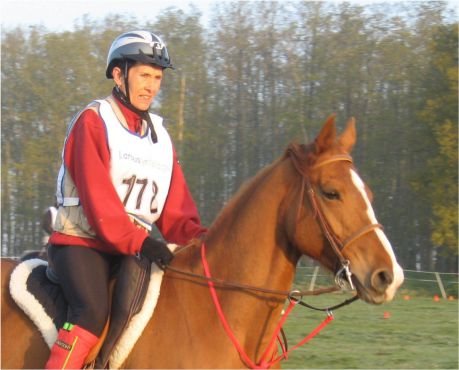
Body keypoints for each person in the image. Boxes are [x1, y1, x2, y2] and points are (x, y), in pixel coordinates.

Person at [45, 30, 207, 369]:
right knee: (90, 312)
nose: (151, 86)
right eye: (144, 75)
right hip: (82, 243)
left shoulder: (160, 138)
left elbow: (176, 211)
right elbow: (99, 203)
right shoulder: (94, 121)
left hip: (133, 250)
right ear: (119, 74)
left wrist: (204, 243)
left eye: (157, 77)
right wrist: (142, 242)